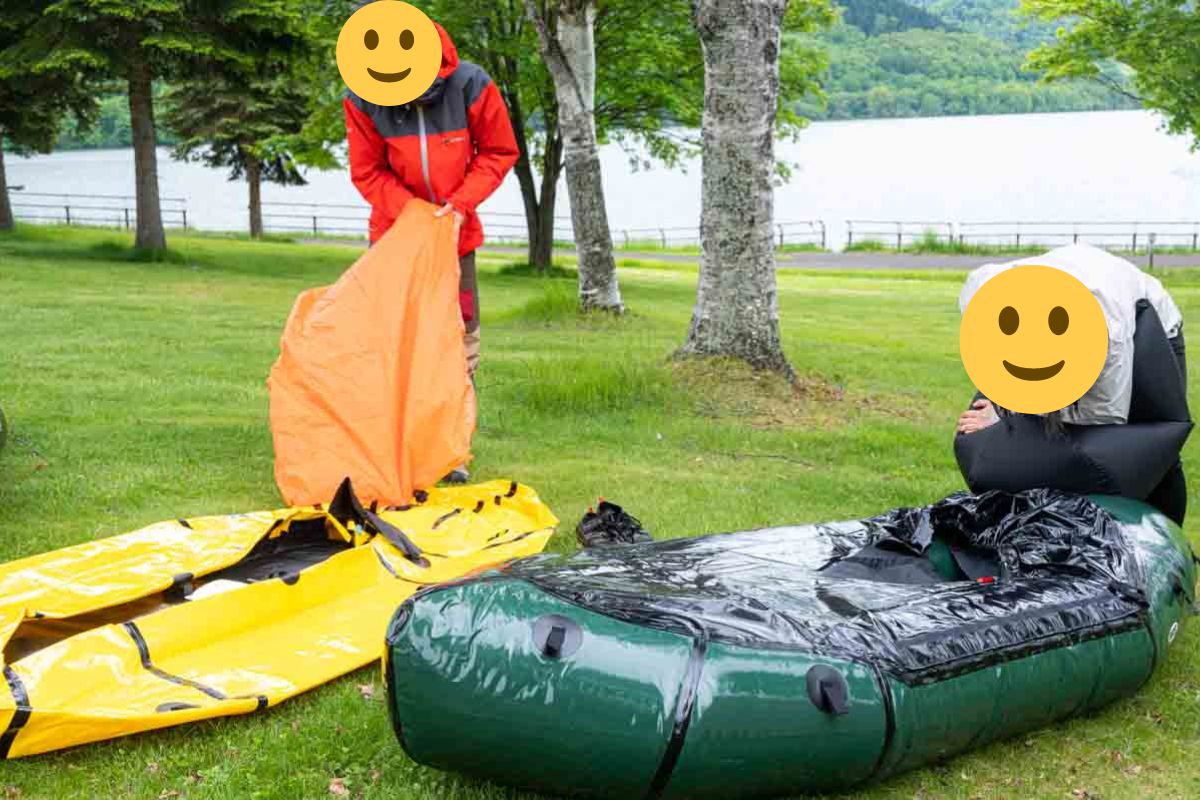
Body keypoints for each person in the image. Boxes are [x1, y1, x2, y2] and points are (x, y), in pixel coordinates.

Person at [344, 21, 519, 484]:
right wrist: (416, 216)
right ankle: (397, 447)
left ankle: (450, 451)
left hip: (456, 239)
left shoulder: (471, 85)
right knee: (396, 340)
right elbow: (367, 172)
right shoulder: (361, 96)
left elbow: (499, 151)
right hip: (394, 241)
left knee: (459, 341)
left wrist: (458, 207)